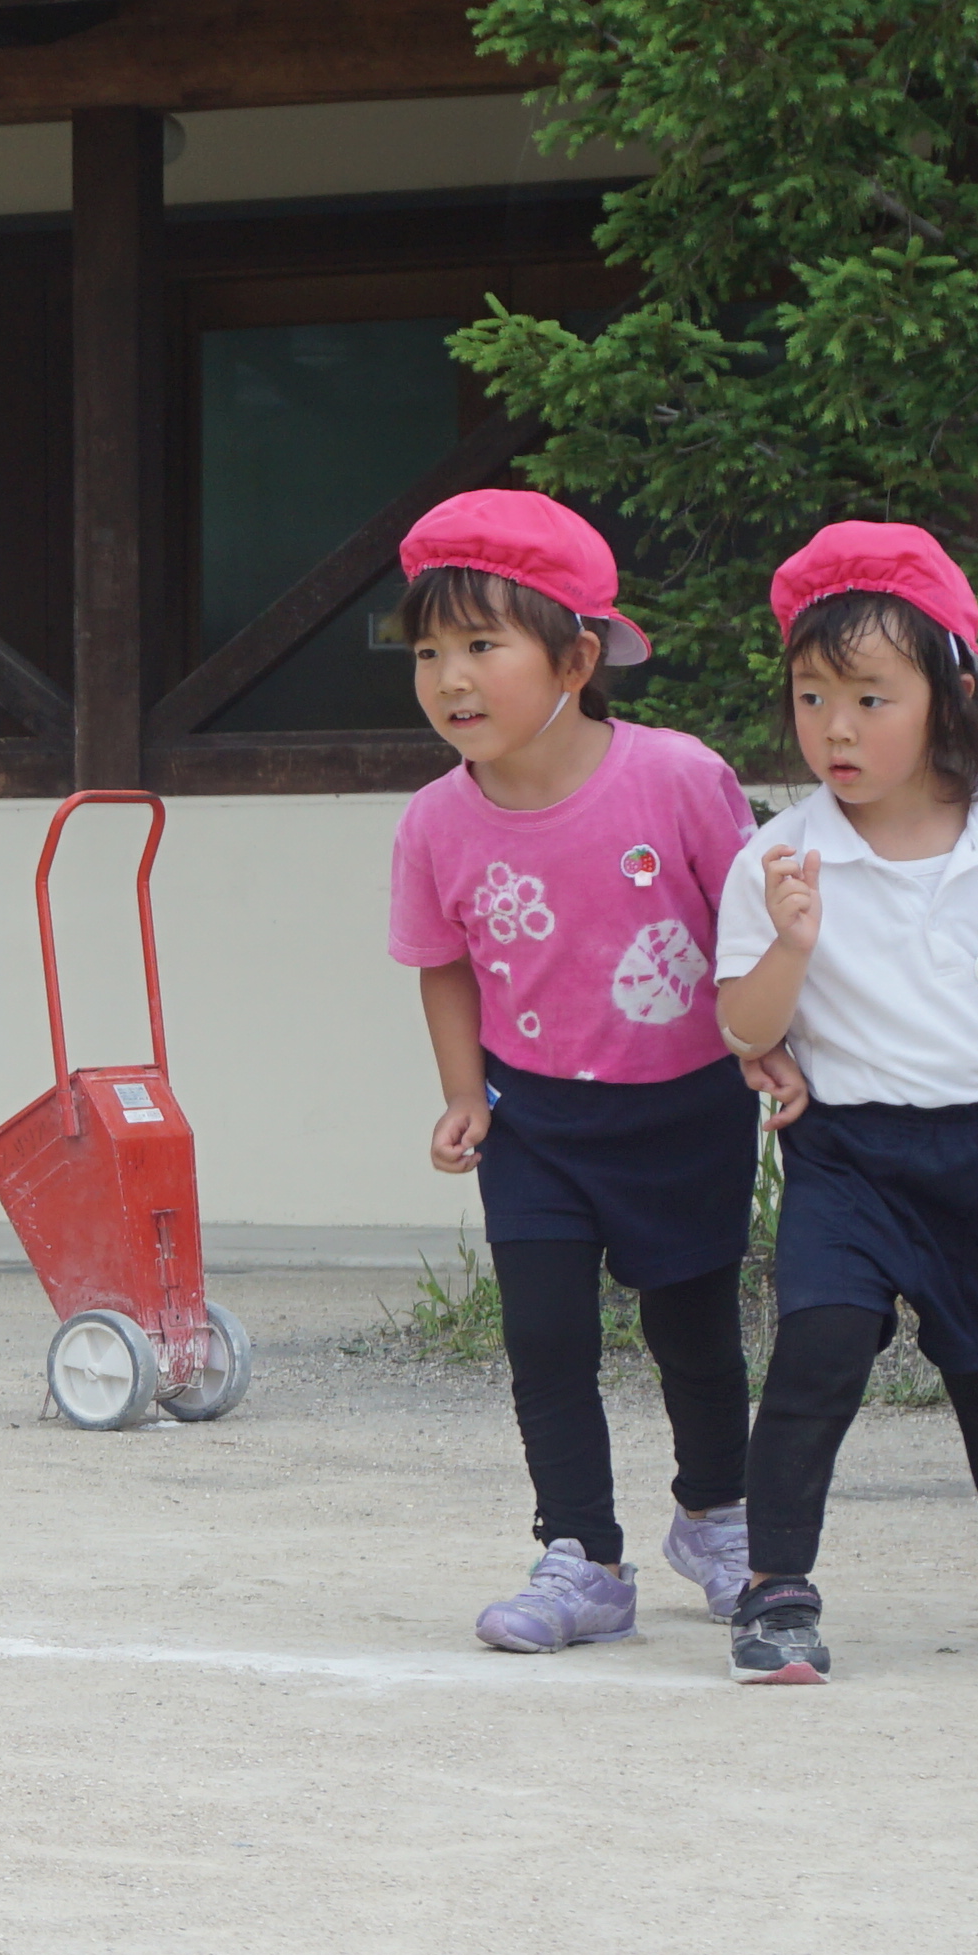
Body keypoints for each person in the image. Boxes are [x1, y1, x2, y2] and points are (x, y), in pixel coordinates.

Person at [711, 524, 978, 1685]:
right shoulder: (785, 853)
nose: (834, 727)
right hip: (846, 1152)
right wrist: (791, 946)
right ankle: (774, 1586)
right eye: (810, 695)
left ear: (952, 697)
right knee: (820, 1348)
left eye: (869, 696)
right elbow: (742, 1028)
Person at [377, 487, 765, 1651]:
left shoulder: (680, 777)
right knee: (545, 1337)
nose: (450, 678)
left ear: (576, 656)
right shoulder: (435, 823)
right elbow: (442, 963)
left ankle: (719, 1518)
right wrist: (461, 1092)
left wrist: (775, 1053)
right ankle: (583, 1556)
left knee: (695, 1333)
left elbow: (751, 935)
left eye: (483, 645)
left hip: (687, 1105)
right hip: (531, 1117)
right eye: (430, 651)